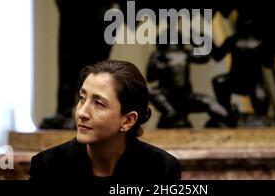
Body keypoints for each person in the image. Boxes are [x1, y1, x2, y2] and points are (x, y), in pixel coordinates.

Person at [29, 60, 181, 181]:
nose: (82, 113)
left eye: (98, 103)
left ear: (128, 120)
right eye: (82, 99)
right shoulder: (48, 167)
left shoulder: (161, 169)